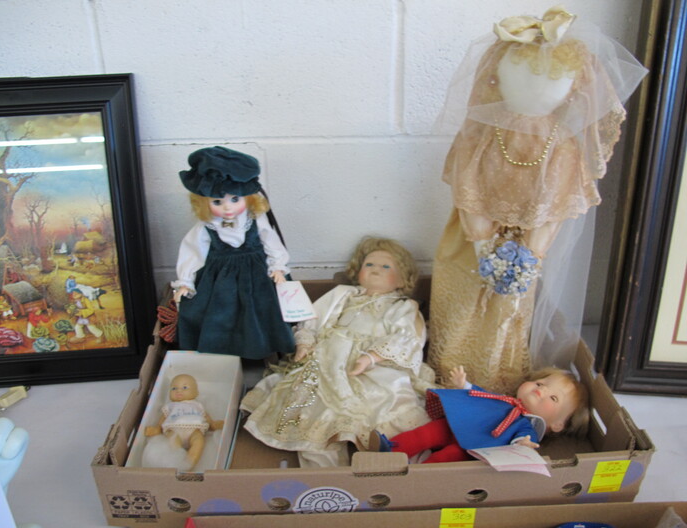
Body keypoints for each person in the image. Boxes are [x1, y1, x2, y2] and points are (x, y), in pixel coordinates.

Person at [428, 6, 648, 394]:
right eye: (519, 76)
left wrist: (528, 256)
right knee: (459, 305)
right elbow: (467, 186)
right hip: (471, 239)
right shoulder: (483, 133)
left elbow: (554, 208)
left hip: (525, 249)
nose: (534, 88)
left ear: (575, 87)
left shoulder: (562, 146)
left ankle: (495, 385)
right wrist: (483, 244)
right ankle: (449, 377)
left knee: (510, 311)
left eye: (552, 80)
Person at [240, 237, 436, 468]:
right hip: (328, 359)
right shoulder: (343, 295)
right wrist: (305, 343)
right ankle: (324, 471)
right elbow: (311, 319)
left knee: (386, 402)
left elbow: (407, 337)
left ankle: (397, 460)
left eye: (386, 266)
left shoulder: (402, 306)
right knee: (313, 407)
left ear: (402, 279)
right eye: (369, 264)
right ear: (357, 271)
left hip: (374, 366)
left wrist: (371, 356)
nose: (375, 270)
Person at [172, 146, 294, 359]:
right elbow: (193, 253)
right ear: (204, 202)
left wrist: (277, 267)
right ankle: (224, 354)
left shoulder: (255, 220)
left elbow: (271, 242)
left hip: (258, 275)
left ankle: (265, 348)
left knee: (265, 310)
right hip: (219, 280)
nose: (228, 208)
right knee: (221, 314)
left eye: (235, 199)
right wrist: (185, 281)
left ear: (249, 198)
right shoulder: (206, 227)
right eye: (217, 202)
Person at [371, 365, 589, 464]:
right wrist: (464, 385)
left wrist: (523, 445)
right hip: (458, 423)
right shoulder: (504, 400)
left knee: (446, 458)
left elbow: (522, 441)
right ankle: (390, 451)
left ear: (558, 424)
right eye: (540, 383)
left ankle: (417, 478)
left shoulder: (526, 426)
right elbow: (482, 395)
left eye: (554, 398)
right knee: (425, 433)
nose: (541, 390)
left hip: (473, 447)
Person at [144, 374, 224, 471]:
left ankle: (189, 464)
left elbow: (206, 417)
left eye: (185, 387)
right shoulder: (170, 406)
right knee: (173, 443)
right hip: (174, 430)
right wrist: (158, 428)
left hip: (194, 431)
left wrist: (213, 424)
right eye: (174, 388)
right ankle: (176, 464)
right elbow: (163, 418)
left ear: (196, 392)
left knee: (199, 442)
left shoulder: (197, 405)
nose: (178, 391)